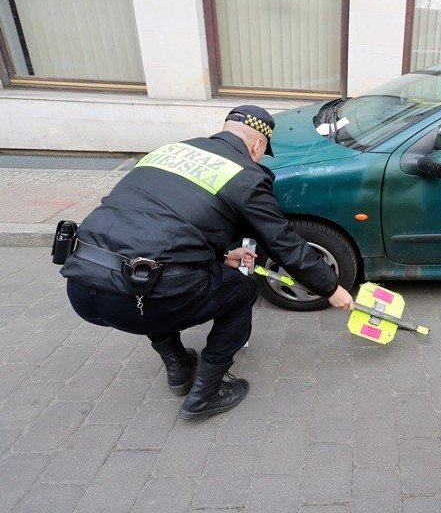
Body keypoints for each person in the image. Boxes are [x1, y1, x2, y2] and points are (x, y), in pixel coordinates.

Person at [61, 105, 354, 421]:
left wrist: (224, 257)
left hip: (82, 283)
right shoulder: (245, 176)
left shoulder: (168, 152)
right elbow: (283, 243)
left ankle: (178, 365)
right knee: (241, 292)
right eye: (260, 153)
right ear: (258, 145)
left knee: (154, 283)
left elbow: (158, 224)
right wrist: (331, 287)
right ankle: (206, 393)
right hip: (142, 297)